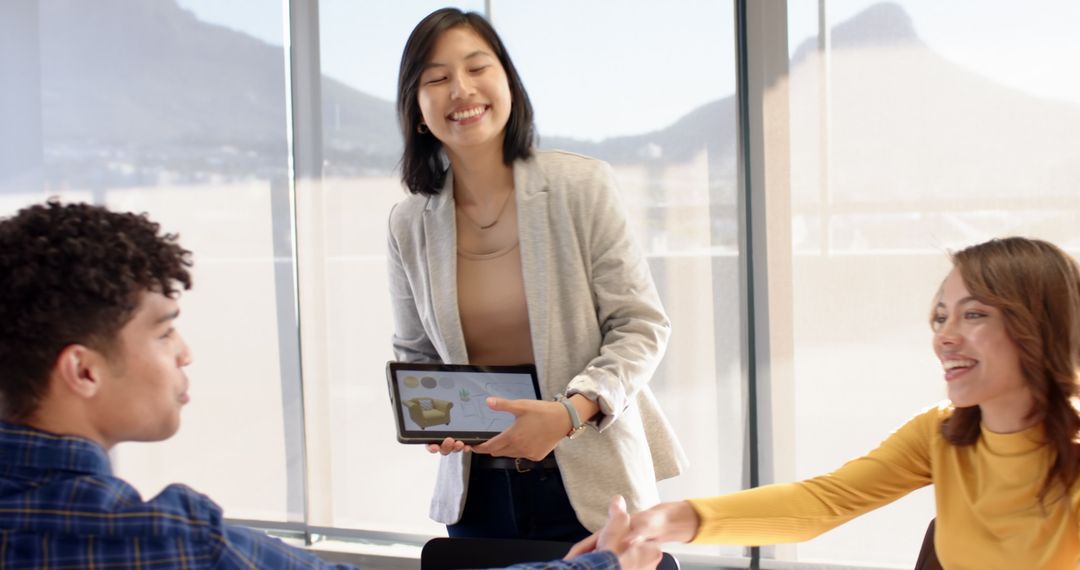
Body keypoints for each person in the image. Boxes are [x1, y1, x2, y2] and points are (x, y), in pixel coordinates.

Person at [0, 200, 661, 570]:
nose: (187, 352)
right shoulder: (169, 543)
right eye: (165, 331)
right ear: (83, 370)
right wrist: (605, 567)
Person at [568, 236, 1080, 569]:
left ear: (1036, 325)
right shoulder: (942, 435)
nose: (944, 337)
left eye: (973, 316)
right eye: (940, 316)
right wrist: (664, 519)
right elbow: (823, 503)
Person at [387, 6, 687, 541]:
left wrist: (570, 413)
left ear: (508, 82)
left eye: (477, 68)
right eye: (437, 78)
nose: (461, 88)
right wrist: (435, 421)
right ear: (416, 109)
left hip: (594, 487)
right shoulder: (409, 222)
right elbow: (416, 353)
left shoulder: (582, 185)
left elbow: (641, 325)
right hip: (478, 498)